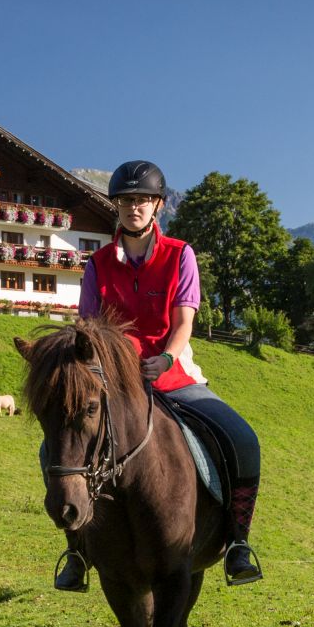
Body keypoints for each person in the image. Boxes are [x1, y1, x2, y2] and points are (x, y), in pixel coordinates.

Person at [53, 159, 263, 591]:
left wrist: (167, 358)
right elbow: (88, 328)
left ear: (158, 206)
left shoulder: (180, 255)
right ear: (116, 206)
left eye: (142, 200)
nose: (134, 207)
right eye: (126, 200)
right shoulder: (97, 265)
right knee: (56, 448)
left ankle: (239, 542)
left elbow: (184, 321)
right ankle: (76, 551)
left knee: (243, 440)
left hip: (174, 375)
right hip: (115, 384)